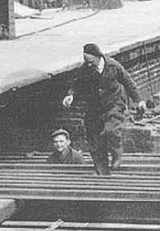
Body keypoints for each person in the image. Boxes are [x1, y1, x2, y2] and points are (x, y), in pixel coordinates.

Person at [61, 42, 145, 174]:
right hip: (95, 106)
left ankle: (116, 155)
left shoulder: (113, 66)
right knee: (94, 137)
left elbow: (128, 82)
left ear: (98, 56)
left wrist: (139, 100)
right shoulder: (85, 69)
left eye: (91, 61)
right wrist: (70, 95)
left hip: (114, 104)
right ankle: (102, 171)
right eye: (86, 62)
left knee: (110, 130)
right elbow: (76, 84)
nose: (89, 64)